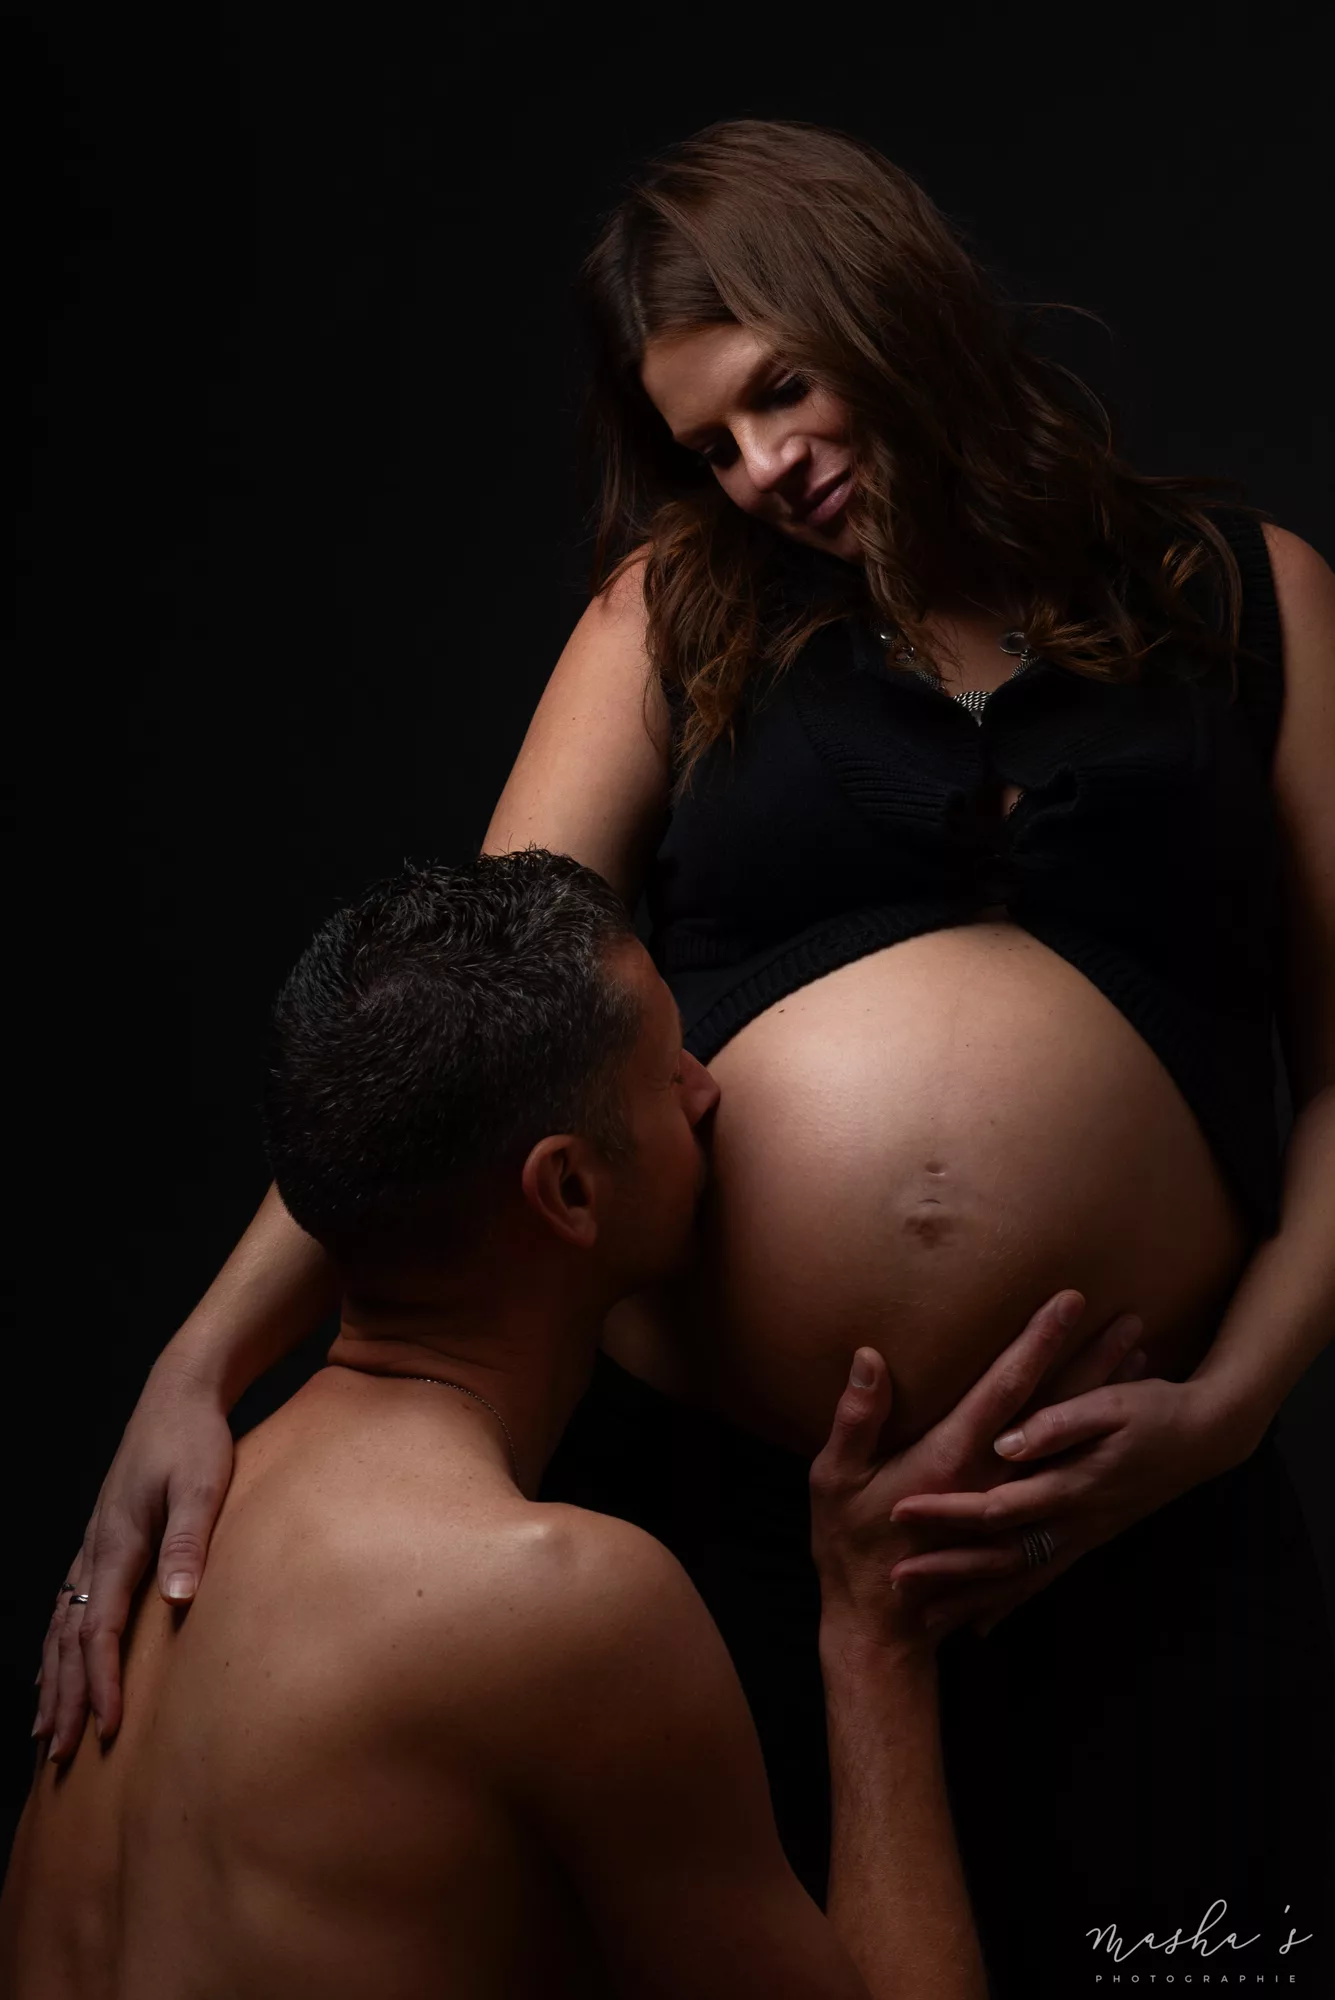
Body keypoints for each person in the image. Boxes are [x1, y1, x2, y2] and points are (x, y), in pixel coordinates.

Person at [38, 120, 1335, 1988]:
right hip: (732, 1520)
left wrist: (1221, 1423)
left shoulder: (1245, 600)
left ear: (887, 303)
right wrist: (199, 1362)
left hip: (1136, 1510)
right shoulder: (674, 613)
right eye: (709, 443)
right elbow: (459, 1037)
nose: (759, 470)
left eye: (780, 393)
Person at [4, 850, 1132, 1999]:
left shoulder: (147, 1565)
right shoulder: (556, 1599)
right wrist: (874, 1633)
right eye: (666, 1066)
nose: (707, 1087)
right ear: (570, 1190)